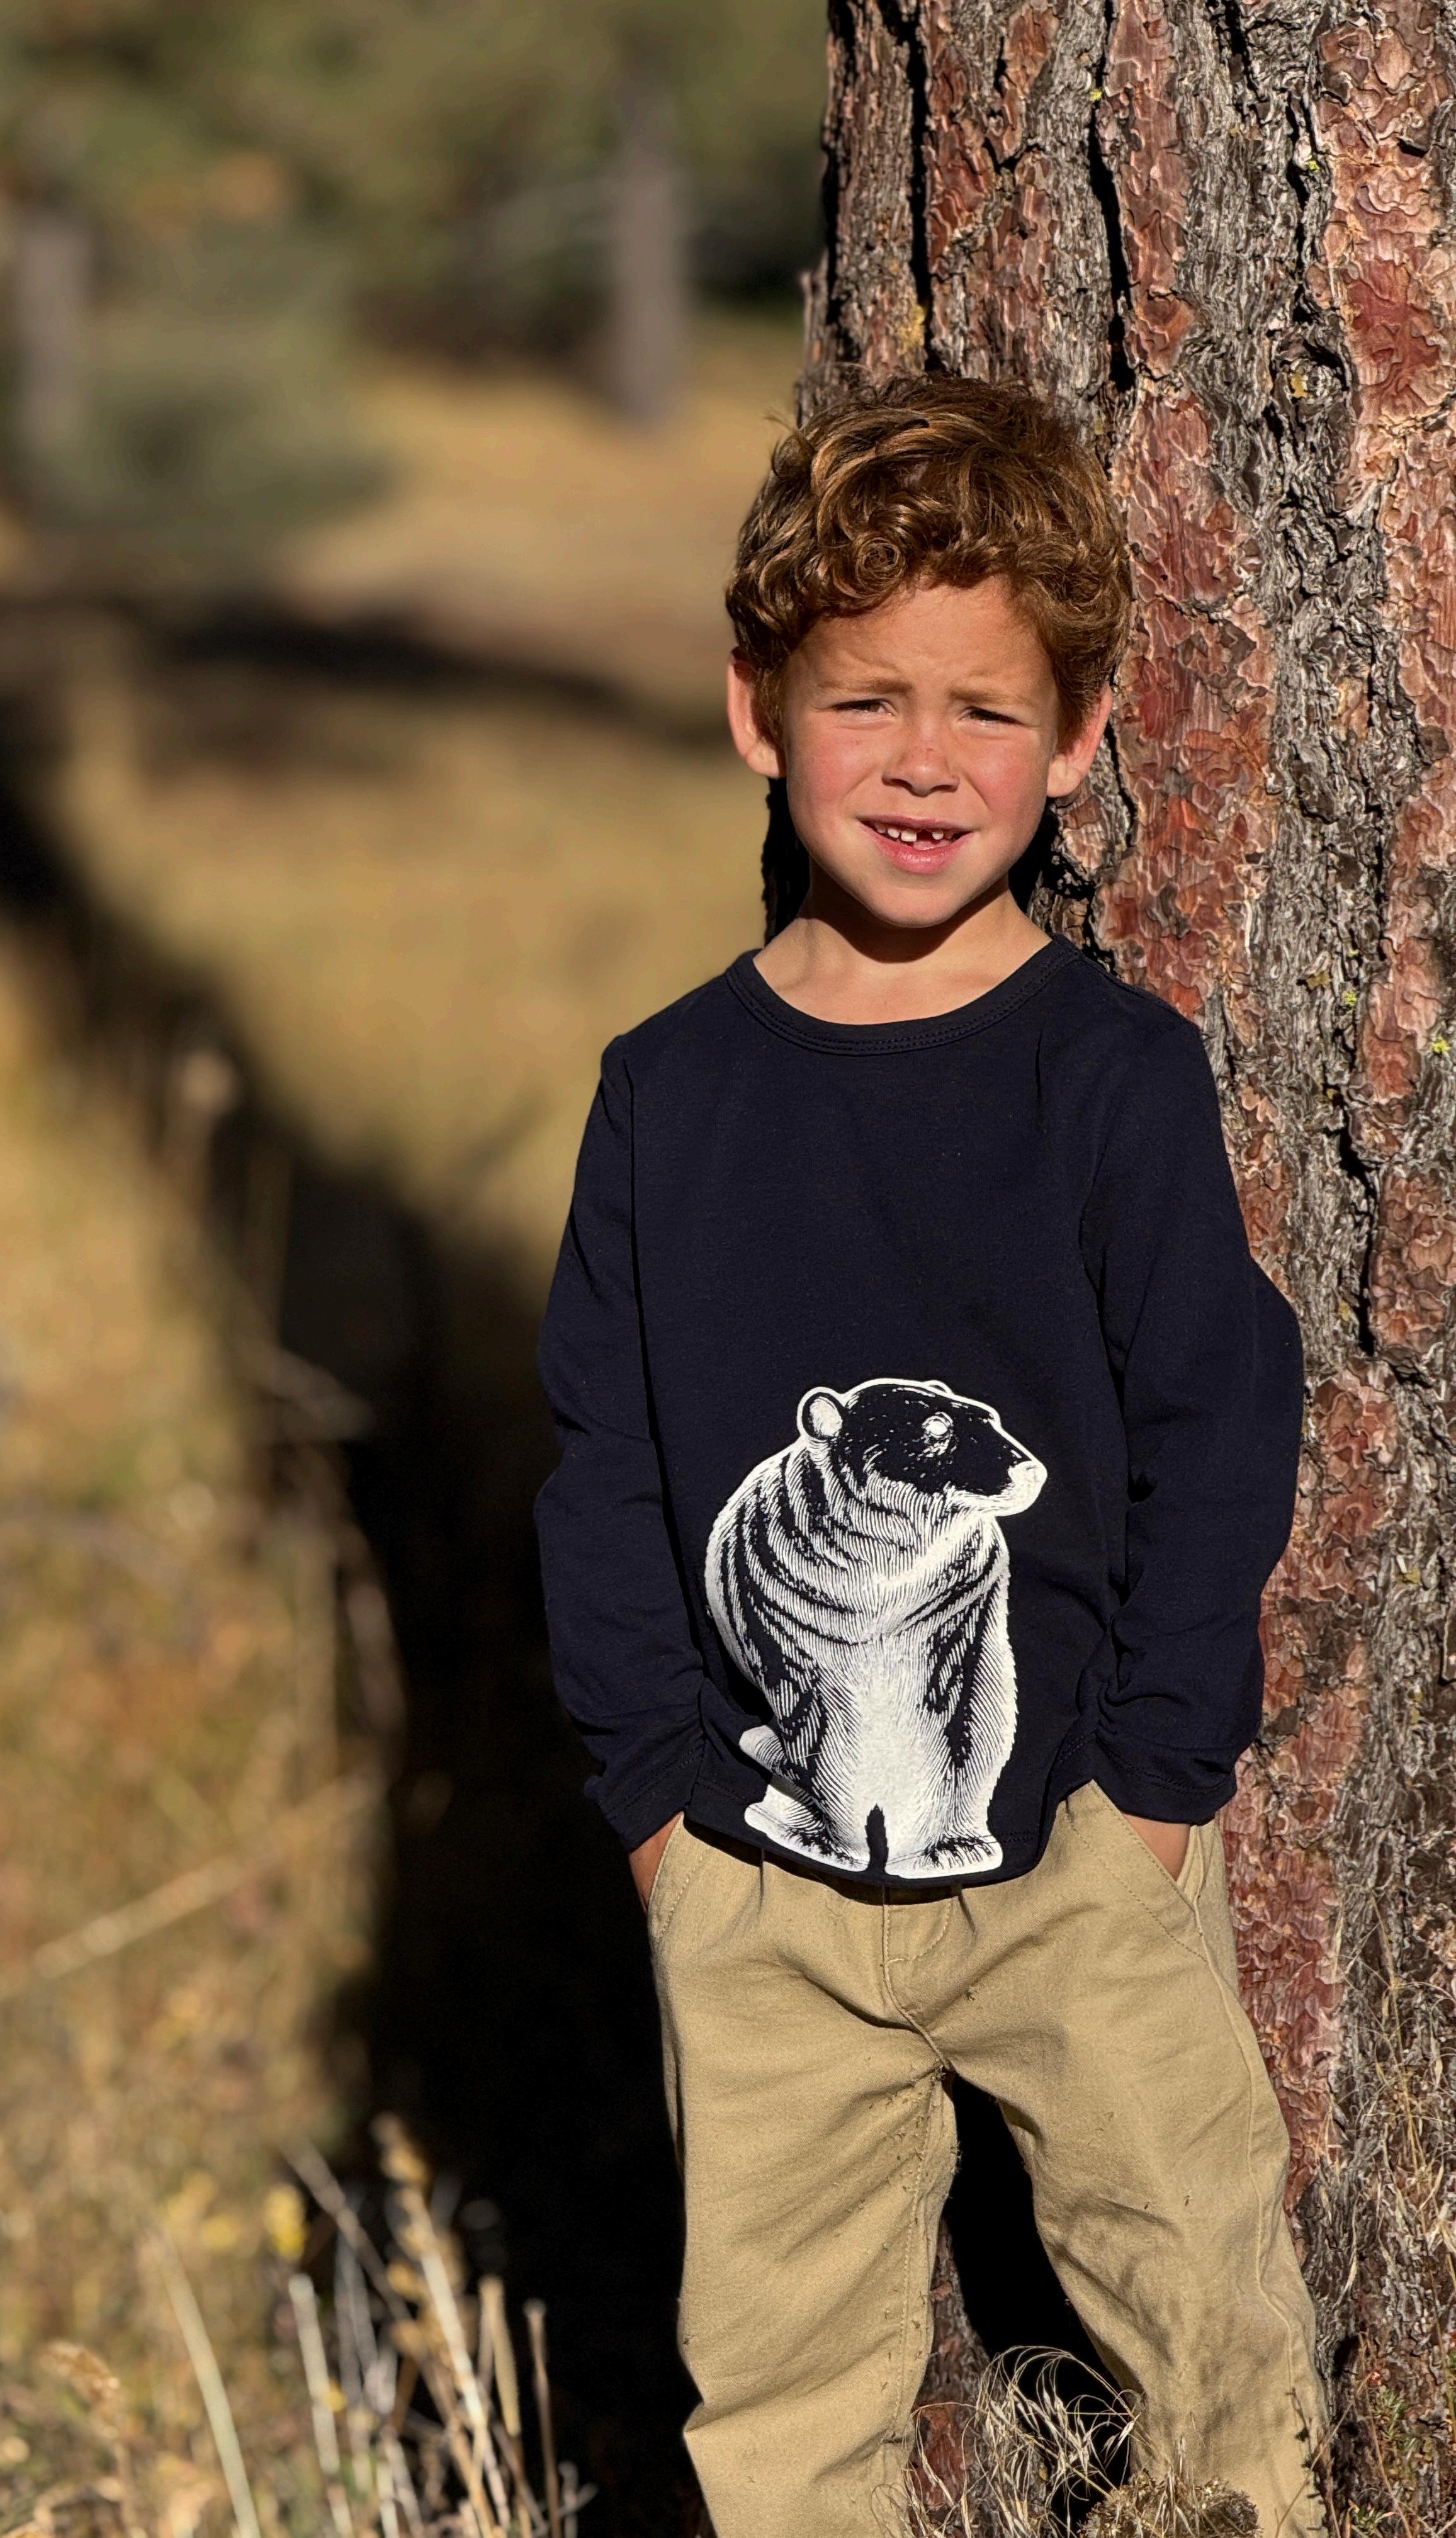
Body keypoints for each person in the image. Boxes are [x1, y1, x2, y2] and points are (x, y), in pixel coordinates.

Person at [532, 373, 1329, 2535]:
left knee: (1208, 2324)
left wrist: (1152, 1789)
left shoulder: (1112, 1075)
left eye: (987, 710)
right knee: (779, 2390)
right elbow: (602, 1463)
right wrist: (662, 1816)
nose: (922, 758)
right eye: (864, 699)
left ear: (1077, 743)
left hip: (1074, 1851)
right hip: (760, 1884)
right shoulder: (667, 1096)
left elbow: (1218, 1412)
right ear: (757, 712)